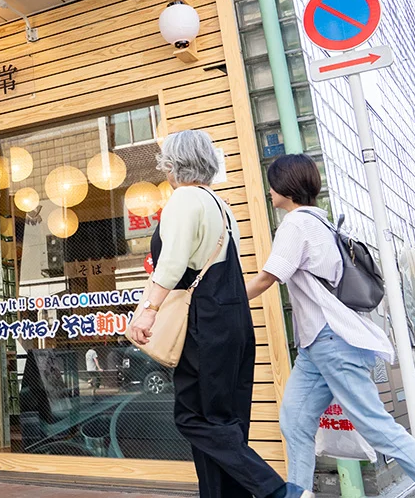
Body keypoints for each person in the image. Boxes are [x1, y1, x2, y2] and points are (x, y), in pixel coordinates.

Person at [246, 154, 415, 498]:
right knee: (295, 421)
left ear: (286, 186)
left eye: (273, 182)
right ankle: (299, 494)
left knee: (377, 426)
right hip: (317, 346)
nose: (269, 190)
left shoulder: (296, 224)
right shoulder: (324, 223)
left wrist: (222, 302)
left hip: (332, 342)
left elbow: (269, 277)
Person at [127, 130, 300, 498]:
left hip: (203, 321)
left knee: (194, 418)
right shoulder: (221, 206)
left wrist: (148, 311)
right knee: (225, 422)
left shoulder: (183, 200)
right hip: (233, 318)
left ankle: (278, 491)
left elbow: (172, 263)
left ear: (172, 166)